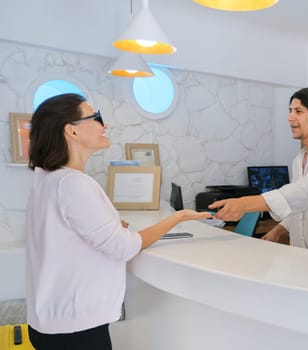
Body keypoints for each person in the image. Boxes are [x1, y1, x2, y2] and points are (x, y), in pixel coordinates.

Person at [25, 93, 211, 350]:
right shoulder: (73, 184)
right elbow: (124, 247)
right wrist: (178, 217)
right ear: (72, 131)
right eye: (96, 118)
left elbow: (69, 234)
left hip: (52, 322)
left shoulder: (48, 178)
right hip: (75, 330)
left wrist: (111, 226)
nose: (105, 126)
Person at [209, 87, 308, 255]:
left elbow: (299, 194)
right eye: (290, 111)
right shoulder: (299, 159)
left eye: (298, 111)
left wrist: (243, 204)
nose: (290, 117)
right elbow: (302, 206)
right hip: (303, 255)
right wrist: (278, 230)